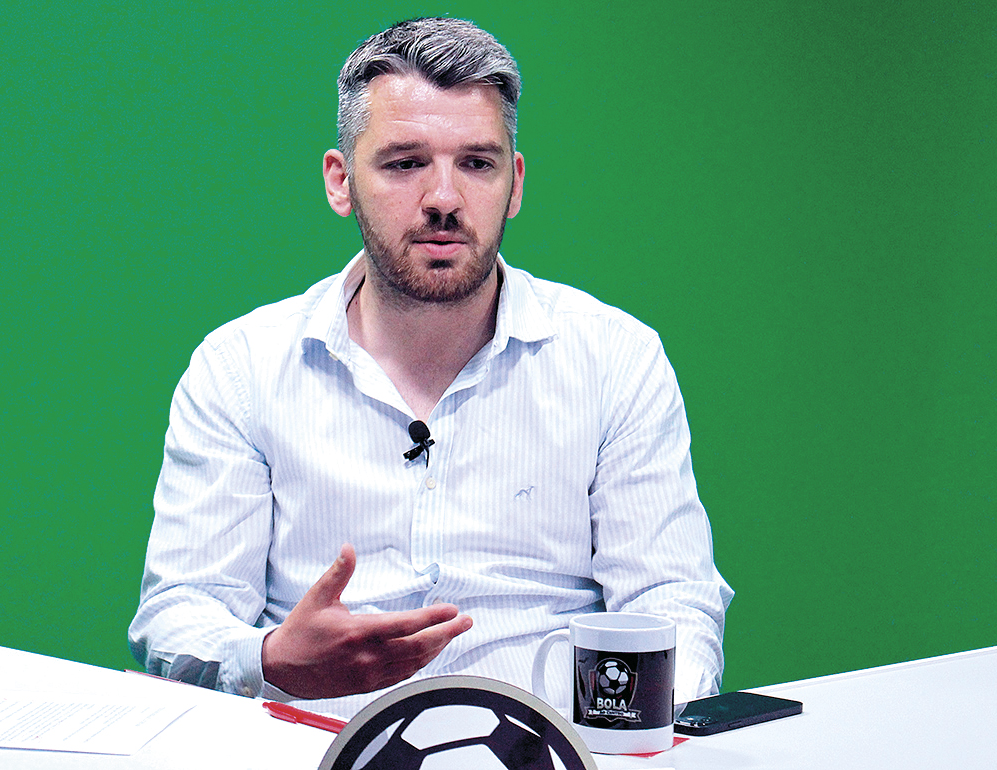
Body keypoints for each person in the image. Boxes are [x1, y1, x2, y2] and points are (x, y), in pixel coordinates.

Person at [129, 17, 733, 719]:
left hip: (550, 750)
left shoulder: (615, 360)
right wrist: (272, 659)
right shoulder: (240, 369)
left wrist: (631, 732)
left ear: (514, 184)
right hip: (314, 748)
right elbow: (180, 611)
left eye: (476, 163)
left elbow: (671, 600)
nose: (444, 198)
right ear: (341, 182)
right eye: (404, 163)